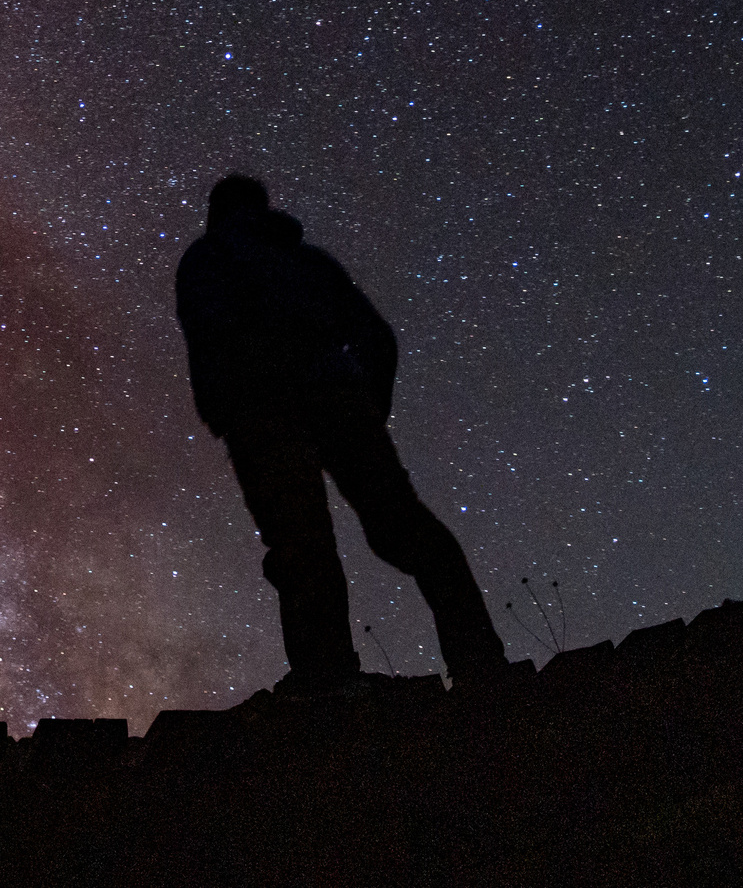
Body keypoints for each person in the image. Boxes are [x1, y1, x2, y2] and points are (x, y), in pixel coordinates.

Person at [175, 172, 508, 693]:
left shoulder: (207, 256)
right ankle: (480, 659)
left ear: (217, 210)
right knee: (403, 524)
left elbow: (209, 334)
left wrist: (226, 411)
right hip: (339, 396)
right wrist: (368, 406)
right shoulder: (310, 261)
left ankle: (329, 683)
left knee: (301, 541)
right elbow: (377, 337)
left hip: (263, 409)